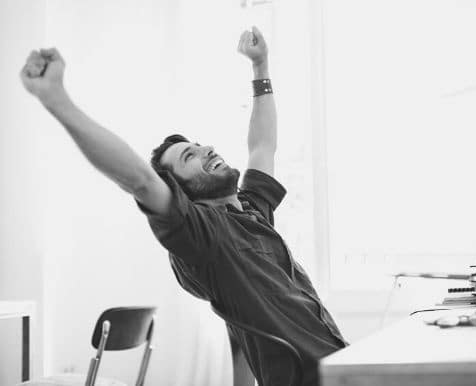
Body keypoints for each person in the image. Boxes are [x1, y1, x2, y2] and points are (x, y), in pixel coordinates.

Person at [21, 26, 347, 386]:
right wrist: (57, 100)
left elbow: (263, 145)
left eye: (200, 145)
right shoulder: (203, 236)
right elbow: (139, 180)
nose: (206, 149)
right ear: (181, 190)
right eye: (190, 156)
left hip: (345, 364)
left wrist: (261, 66)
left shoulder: (252, 210)